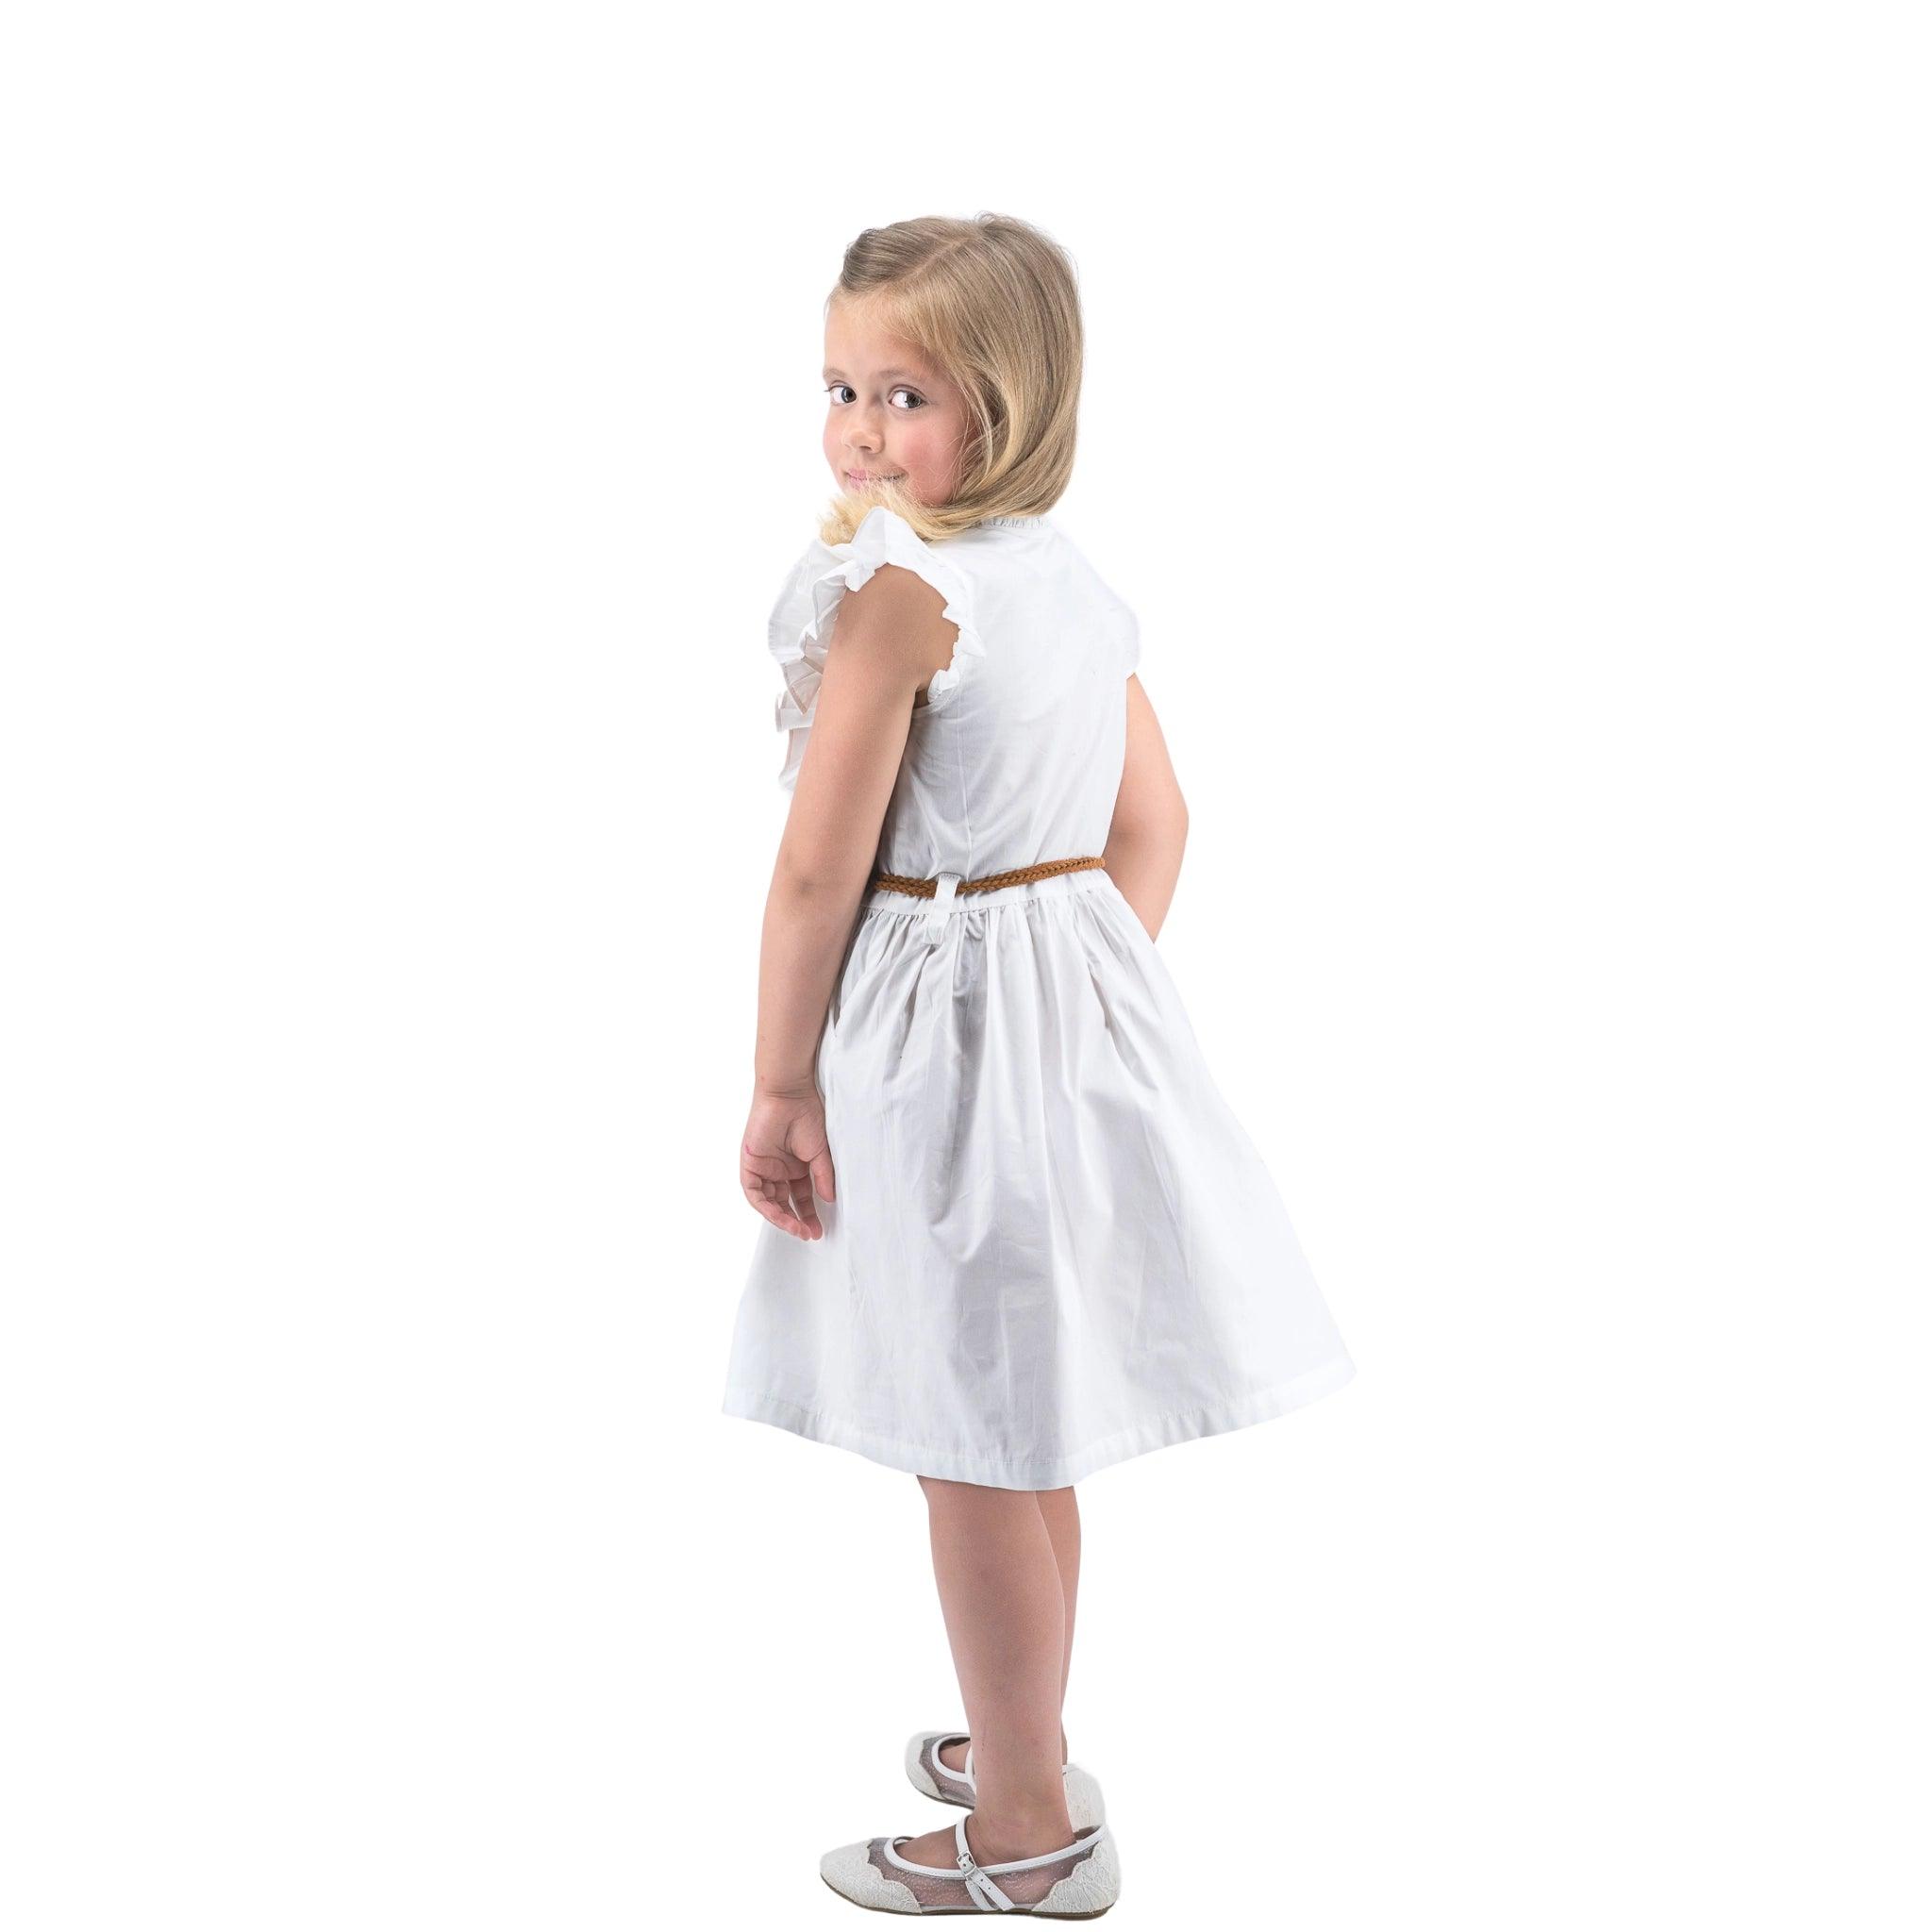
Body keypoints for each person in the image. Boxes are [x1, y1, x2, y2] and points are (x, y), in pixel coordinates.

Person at [722, 212, 1357, 1917]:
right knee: (1025, 1422)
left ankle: (1022, 1829)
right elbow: (1156, 822)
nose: (860, 429)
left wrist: (786, 1084)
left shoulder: (901, 602)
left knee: (970, 1438)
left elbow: (813, 870)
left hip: (937, 1051)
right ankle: (1030, 1729)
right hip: (1053, 1021)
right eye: (840, 386)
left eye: (904, 393)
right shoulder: (1068, 586)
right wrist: (1068, 996)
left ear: (998, 410)